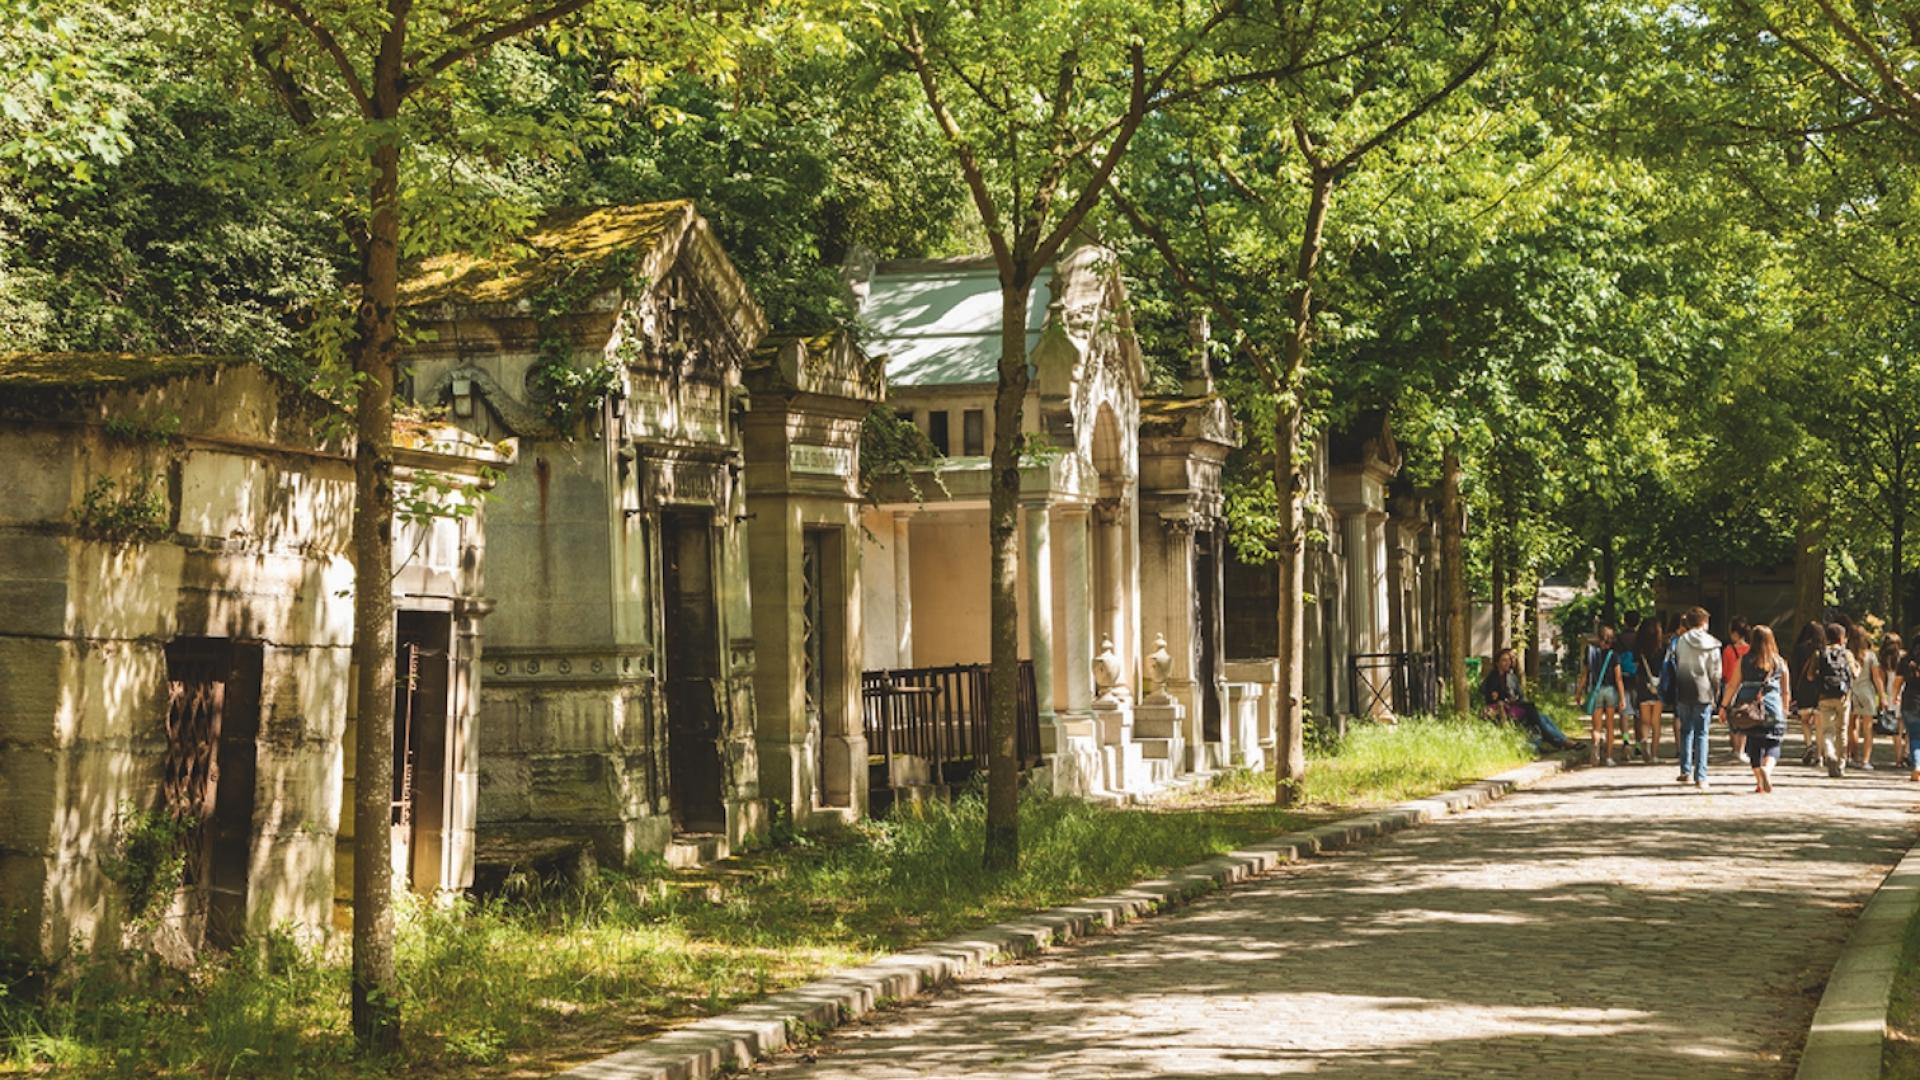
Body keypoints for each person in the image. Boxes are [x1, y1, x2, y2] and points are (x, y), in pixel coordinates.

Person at [1723, 624, 1790, 794]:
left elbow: (1732, 685)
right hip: (1773, 706)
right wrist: (1785, 710)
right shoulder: (1779, 662)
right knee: (1773, 743)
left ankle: (1760, 782)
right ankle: (1767, 769)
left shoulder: (1744, 660)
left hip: (1749, 708)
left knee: (1754, 745)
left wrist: (1724, 706)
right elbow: (1785, 690)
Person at [1671, 607, 1723, 789]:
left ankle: (1685, 770)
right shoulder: (1712, 643)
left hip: (1683, 689)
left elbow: (1675, 664)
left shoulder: (1680, 641)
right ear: (1703, 622)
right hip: (1704, 691)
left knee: (1686, 731)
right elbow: (1716, 673)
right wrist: (1716, 693)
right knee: (1702, 733)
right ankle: (1700, 775)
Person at [1481, 647, 1572, 749]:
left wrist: (1515, 698)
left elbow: (1520, 695)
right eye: (1504, 660)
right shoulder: (1492, 678)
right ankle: (1562, 742)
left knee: (1544, 717)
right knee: (1536, 717)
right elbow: (1493, 698)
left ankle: (1562, 740)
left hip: (1515, 706)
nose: (1507, 663)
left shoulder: (1511, 677)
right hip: (1504, 711)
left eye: (1509, 660)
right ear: (1497, 663)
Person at [1807, 621, 1857, 778]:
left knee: (1827, 730)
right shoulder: (1847, 654)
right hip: (1843, 697)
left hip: (1824, 696)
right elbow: (1854, 674)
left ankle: (1829, 753)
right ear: (1842, 637)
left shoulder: (1819, 653)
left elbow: (1810, 676)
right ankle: (1841, 765)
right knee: (1842, 730)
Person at [1581, 624, 1629, 766]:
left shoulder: (1591, 654)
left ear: (1598, 638)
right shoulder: (1614, 656)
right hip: (1610, 691)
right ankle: (1608, 757)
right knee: (1609, 726)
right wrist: (1621, 697)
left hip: (1596, 691)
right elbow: (1618, 678)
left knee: (1596, 727)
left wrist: (1578, 692)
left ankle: (1595, 745)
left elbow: (1584, 675)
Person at [1846, 623, 1883, 770]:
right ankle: (1866, 760)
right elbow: (1876, 678)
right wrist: (1882, 696)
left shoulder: (1847, 654)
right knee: (1868, 728)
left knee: (1851, 727)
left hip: (1850, 692)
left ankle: (1853, 755)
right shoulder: (1870, 656)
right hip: (1867, 693)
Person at [1791, 620, 1825, 765]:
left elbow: (1794, 672)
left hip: (1803, 689)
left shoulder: (1799, 649)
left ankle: (1808, 745)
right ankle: (1819, 754)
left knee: (1805, 721)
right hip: (1819, 690)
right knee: (1819, 724)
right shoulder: (1824, 650)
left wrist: (1793, 693)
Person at [1635, 615, 1667, 763]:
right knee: (1656, 722)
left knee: (1645, 720)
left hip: (1643, 684)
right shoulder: (1662, 648)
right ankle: (1654, 754)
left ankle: (1644, 742)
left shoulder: (1639, 648)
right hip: (1658, 685)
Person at [1720, 617, 1750, 765]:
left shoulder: (1728, 650)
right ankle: (1742, 749)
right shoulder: (1750, 650)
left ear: (1734, 633)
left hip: (1731, 685)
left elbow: (1725, 672)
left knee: (1732, 718)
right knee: (1744, 717)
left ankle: (1734, 748)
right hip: (1746, 686)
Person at [1898, 633, 1920, 783]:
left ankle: (1918, 765)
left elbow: (1898, 682)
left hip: (1910, 702)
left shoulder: (1906, 660)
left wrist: (1892, 697)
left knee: (1914, 737)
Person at [1887, 634, 1909, 769]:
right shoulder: (1905, 657)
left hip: (1891, 693)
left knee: (1896, 729)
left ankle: (1898, 758)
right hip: (1905, 692)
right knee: (1908, 728)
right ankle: (1906, 753)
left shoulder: (1884, 659)